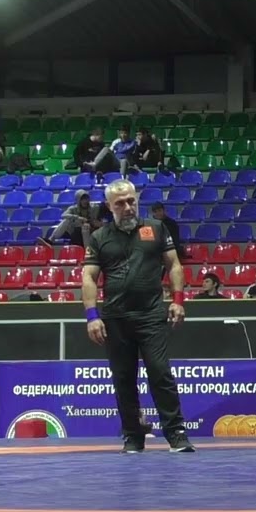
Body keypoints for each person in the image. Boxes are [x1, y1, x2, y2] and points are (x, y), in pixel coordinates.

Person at [81, 179, 195, 454]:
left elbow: (174, 265)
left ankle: (176, 434)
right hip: (116, 319)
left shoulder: (156, 228)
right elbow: (89, 277)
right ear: (109, 206)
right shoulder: (99, 237)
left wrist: (178, 301)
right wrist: (92, 316)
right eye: (120, 203)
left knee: (160, 372)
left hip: (151, 315)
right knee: (123, 378)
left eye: (131, 201)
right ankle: (133, 436)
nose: (128, 207)